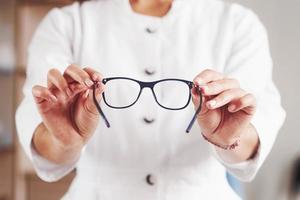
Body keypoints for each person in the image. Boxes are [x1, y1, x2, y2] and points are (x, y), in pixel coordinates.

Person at [15, 0, 286, 199]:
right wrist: (64, 140)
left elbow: (255, 131)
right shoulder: (66, 24)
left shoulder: (237, 24)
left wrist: (228, 138)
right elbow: (41, 135)